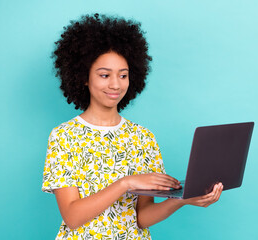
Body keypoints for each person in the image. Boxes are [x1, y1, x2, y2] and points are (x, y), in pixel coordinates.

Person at [42, 13, 223, 240]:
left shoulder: (143, 138)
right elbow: (72, 217)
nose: (115, 84)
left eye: (123, 75)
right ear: (84, 77)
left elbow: (142, 217)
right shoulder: (64, 136)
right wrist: (126, 183)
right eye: (104, 75)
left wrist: (183, 200)